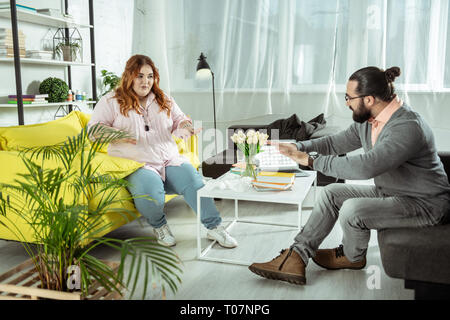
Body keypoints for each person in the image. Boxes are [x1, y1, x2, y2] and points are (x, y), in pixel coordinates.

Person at [248, 66, 450, 285]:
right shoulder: (369, 121)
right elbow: (335, 142)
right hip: (392, 192)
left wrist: (310, 161)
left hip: (425, 204)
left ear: (369, 99)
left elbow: (365, 167)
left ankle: (352, 257)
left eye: (349, 97)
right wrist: (296, 146)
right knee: (331, 193)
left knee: (352, 209)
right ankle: (296, 256)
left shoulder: (407, 127)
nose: (346, 103)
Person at [88, 54, 237, 248]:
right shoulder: (111, 101)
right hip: (137, 163)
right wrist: (117, 135)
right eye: (140, 76)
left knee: (194, 181)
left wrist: (185, 126)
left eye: (150, 76)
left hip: (167, 157)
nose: (146, 81)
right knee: (150, 192)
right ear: (129, 76)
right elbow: (93, 130)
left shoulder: (162, 98)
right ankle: (160, 226)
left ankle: (214, 227)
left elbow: (180, 119)